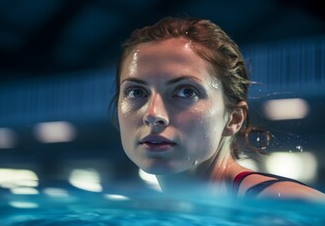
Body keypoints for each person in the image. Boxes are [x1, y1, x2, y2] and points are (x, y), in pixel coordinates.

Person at [110, 16, 325, 202]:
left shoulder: (286, 205)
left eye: (186, 92)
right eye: (136, 92)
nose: (153, 114)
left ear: (233, 118)